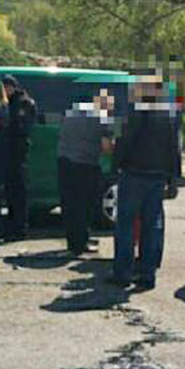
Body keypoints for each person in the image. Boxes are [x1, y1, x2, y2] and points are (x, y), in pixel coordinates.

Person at [108, 72, 181, 291]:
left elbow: (126, 138)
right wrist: (173, 176)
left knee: (126, 223)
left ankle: (123, 272)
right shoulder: (170, 113)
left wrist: (115, 165)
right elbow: (174, 146)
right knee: (152, 224)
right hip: (157, 174)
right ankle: (148, 274)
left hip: (135, 171)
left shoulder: (138, 109)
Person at [58, 89, 114, 256]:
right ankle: (81, 244)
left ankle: (72, 242)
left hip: (64, 162)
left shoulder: (70, 114)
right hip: (85, 164)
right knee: (85, 206)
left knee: (70, 205)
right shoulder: (101, 118)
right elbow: (106, 147)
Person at [0, 76, 37, 240]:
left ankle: (19, 229)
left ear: (12, 87)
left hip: (18, 153)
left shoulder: (23, 103)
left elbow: (22, 127)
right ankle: (11, 226)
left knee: (18, 191)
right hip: (8, 153)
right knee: (10, 191)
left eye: (5, 87)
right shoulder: (8, 102)